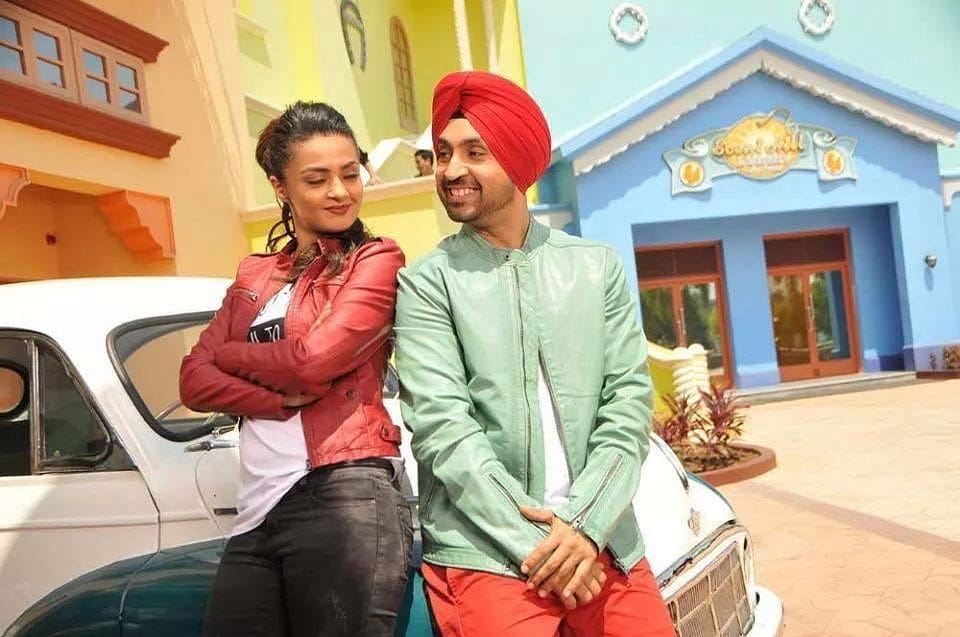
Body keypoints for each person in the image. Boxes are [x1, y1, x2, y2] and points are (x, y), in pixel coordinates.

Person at [394, 72, 674, 636]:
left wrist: (585, 526)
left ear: (520, 162)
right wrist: (543, 547)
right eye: (443, 154)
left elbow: (627, 408)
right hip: (485, 550)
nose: (451, 170)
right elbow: (444, 431)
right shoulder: (427, 283)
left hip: (601, 539)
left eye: (475, 152)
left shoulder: (595, 267)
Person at [179, 101, 411, 637]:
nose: (340, 191)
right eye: (317, 179)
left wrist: (228, 356)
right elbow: (192, 380)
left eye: (350, 174)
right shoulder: (256, 274)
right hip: (259, 507)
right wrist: (276, 399)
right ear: (280, 187)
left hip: (344, 489)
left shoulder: (375, 260)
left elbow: (311, 362)